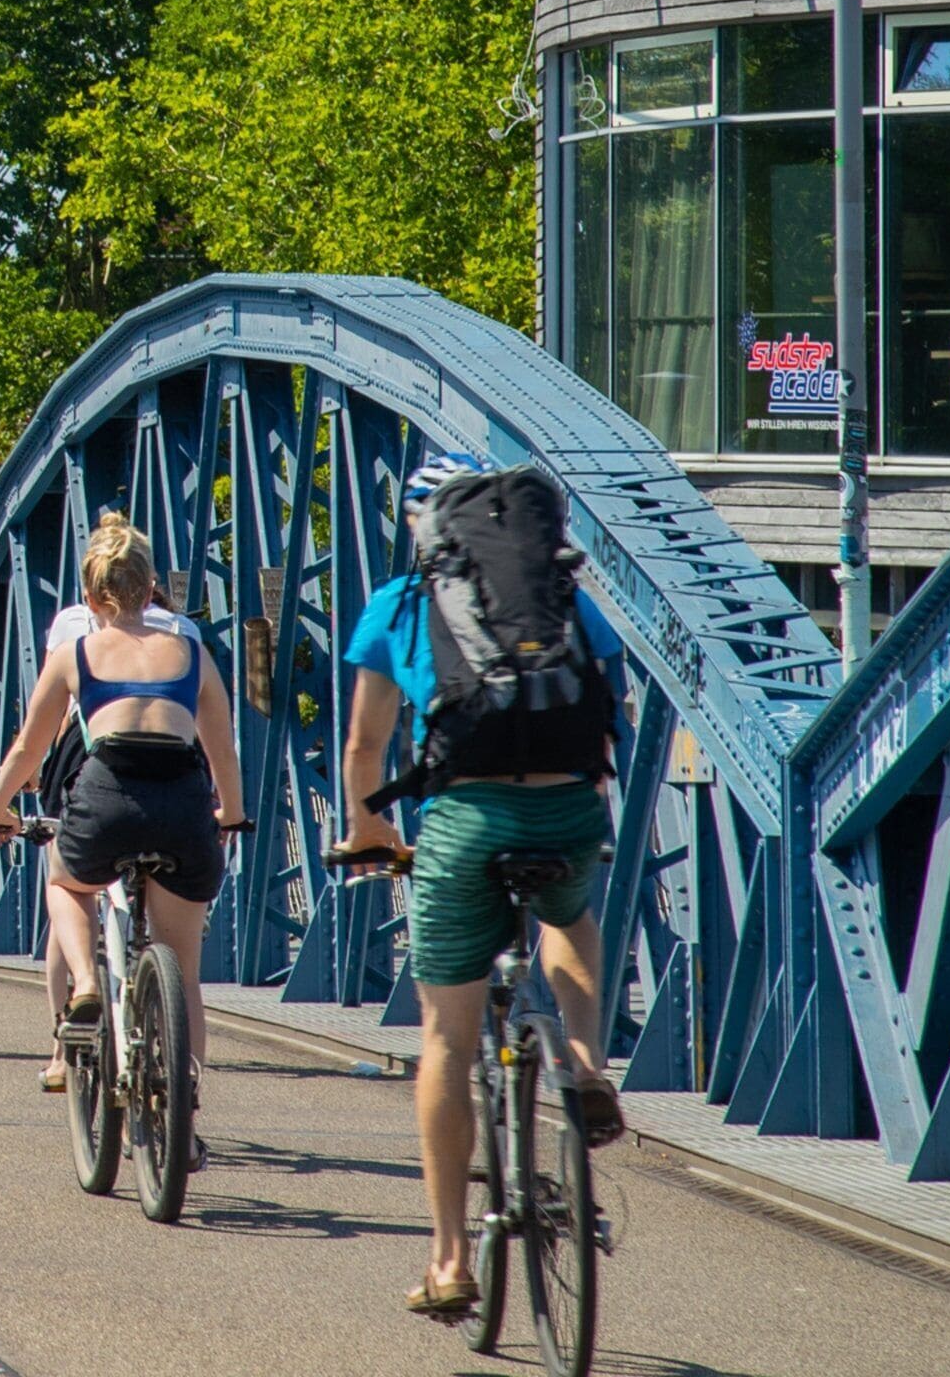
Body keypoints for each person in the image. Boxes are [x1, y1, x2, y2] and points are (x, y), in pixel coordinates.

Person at [332, 454, 630, 1323]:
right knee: (567, 912)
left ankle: (451, 1257)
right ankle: (582, 1059)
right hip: (569, 804)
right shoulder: (562, 592)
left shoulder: (399, 605)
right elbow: (610, 699)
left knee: (446, 1041)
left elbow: (363, 745)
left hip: (466, 824)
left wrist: (371, 832)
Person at [0, 512, 245, 1110]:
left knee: (66, 885)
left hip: (106, 796)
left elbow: (31, 747)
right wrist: (230, 814)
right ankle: (183, 1113)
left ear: (93, 595)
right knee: (185, 972)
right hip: (182, 799)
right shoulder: (189, 653)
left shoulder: (78, 652)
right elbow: (221, 746)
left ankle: (89, 984)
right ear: (151, 588)